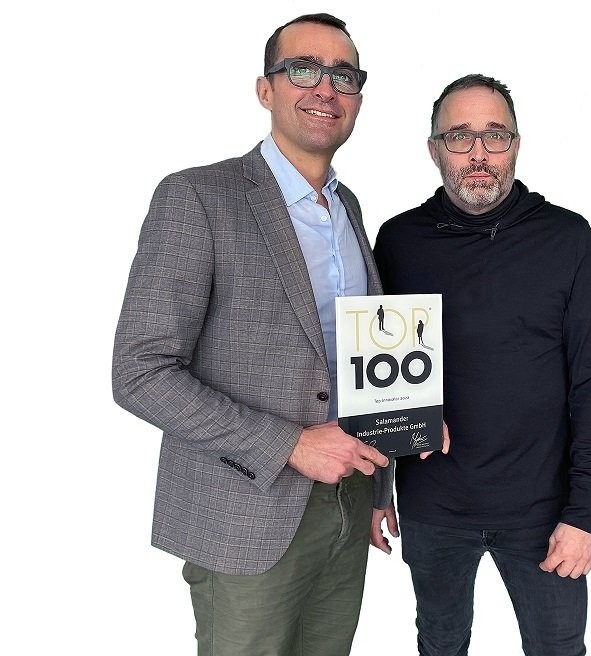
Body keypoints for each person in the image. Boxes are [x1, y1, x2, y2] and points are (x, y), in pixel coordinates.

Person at [112, 13, 391, 655]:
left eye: (343, 75)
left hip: (348, 504)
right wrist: (289, 444)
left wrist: (380, 486)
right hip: (243, 513)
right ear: (266, 89)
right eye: (303, 68)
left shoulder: (349, 209)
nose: (325, 87)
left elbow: (356, 362)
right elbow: (140, 372)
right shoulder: (198, 199)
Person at [370, 74, 591, 656]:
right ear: (434, 149)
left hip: (544, 508)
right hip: (433, 505)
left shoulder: (567, 237)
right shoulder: (399, 241)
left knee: (558, 648)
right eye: (459, 137)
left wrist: (586, 513)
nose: (478, 154)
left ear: (516, 144)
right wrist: (378, 487)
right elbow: (375, 373)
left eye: (494, 136)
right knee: (441, 643)